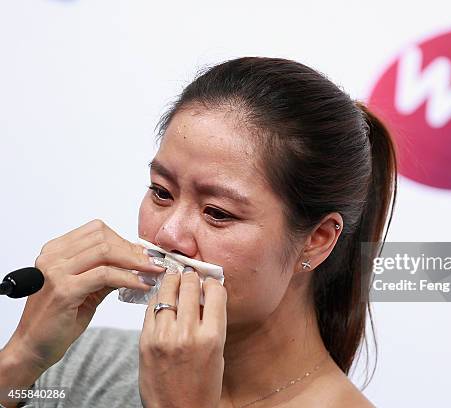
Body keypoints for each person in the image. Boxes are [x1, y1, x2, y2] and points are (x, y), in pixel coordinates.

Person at [0, 56, 397, 408]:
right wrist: (23, 357)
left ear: (318, 239)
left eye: (217, 213)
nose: (169, 234)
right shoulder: (87, 363)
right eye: (161, 192)